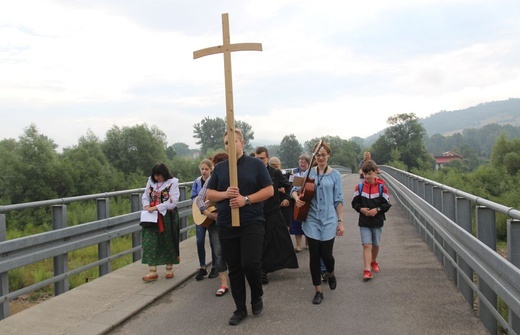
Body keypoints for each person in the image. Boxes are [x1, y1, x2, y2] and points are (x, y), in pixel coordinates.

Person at [206, 129, 274, 326]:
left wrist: (246, 199)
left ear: (242, 143)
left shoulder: (255, 165)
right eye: (226, 143)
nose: (230, 146)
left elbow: (269, 190)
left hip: (251, 221)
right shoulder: (220, 169)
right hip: (226, 223)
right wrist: (225, 194)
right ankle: (240, 308)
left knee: (250, 263)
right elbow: (209, 194)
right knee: (234, 267)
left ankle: (257, 296)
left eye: (233, 141)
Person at [292, 141, 344, 305]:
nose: (321, 157)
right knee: (314, 255)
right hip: (312, 219)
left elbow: (338, 199)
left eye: (324, 154)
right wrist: (296, 199)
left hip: (329, 219)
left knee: (327, 255)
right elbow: (293, 189)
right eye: (318, 154)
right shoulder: (307, 173)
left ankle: (330, 273)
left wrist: (340, 221)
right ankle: (318, 291)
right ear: (314, 156)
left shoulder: (335, 175)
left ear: (328, 155)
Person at [255, 148, 298, 285]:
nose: (259, 161)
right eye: (257, 158)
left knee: (273, 241)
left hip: (272, 212)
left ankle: (265, 270)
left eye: (261, 158)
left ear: (267, 157)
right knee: (259, 243)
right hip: (257, 213)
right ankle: (260, 270)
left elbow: (289, 186)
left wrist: (287, 198)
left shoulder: (275, 173)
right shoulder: (253, 173)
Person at [195, 153, 230, 296]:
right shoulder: (212, 180)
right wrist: (207, 213)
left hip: (234, 218)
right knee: (218, 250)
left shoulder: (236, 178)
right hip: (216, 220)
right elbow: (199, 199)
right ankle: (223, 283)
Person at [351, 160, 391, 281]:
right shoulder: (360, 187)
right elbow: (354, 203)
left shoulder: (381, 187)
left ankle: (373, 261)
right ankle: (367, 270)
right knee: (366, 245)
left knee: (376, 244)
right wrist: (361, 209)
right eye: (365, 174)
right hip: (364, 221)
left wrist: (377, 209)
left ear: (375, 173)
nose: (367, 176)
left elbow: (387, 204)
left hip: (377, 220)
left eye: (369, 173)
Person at [141, 163, 180, 282]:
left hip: (166, 216)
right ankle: (152, 270)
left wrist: (157, 207)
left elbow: (173, 202)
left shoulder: (173, 182)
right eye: (155, 175)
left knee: (167, 240)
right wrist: (147, 205)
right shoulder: (150, 182)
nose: (157, 178)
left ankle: (169, 268)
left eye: (160, 175)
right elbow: (145, 195)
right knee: (149, 241)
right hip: (151, 217)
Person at [191, 159, 218, 281]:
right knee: (199, 241)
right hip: (201, 216)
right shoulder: (197, 182)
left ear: (211, 169)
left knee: (214, 242)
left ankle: (215, 266)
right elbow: (194, 197)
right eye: (202, 169)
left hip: (211, 215)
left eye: (206, 169)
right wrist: (200, 208)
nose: (204, 171)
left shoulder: (214, 180)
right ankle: (202, 267)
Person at [289, 153, 311, 252]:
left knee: (308, 221)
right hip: (297, 199)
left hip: (308, 199)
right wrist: (296, 197)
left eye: (304, 162)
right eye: (301, 161)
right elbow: (292, 187)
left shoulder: (311, 172)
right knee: (297, 221)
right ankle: (298, 245)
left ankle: (308, 242)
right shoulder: (295, 172)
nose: (302, 164)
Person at [268, 157, 292, 228]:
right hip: (271, 207)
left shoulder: (283, 175)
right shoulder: (266, 175)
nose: (275, 169)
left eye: (276, 166)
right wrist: (278, 189)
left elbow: (289, 187)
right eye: (272, 166)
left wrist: (288, 199)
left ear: (280, 165)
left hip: (283, 205)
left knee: (285, 227)